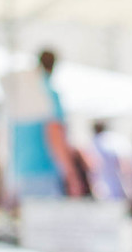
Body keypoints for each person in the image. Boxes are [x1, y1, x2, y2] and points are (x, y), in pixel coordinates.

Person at [5, 50, 83, 201]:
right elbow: (54, 134)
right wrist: (71, 175)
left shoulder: (22, 92)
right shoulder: (48, 93)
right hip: (43, 172)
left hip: (20, 173)